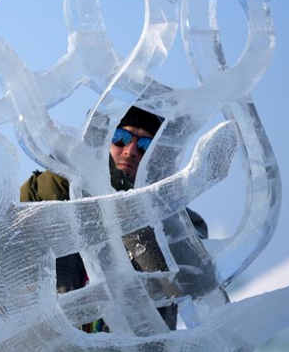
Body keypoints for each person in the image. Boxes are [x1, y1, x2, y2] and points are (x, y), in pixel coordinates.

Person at [19, 105, 208, 333]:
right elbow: (32, 203)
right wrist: (84, 158)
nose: (130, 151)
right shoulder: (56, 191)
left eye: (145, 146)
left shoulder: (181, 221)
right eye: (120, 138)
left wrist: (120, 190)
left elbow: (189, 281)